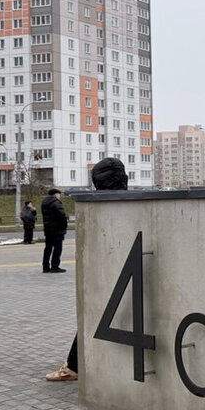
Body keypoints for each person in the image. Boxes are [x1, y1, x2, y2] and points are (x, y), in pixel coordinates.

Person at [45, 157, 128, 383]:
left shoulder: (94, 207)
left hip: (108, 275)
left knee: (93, 317)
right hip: (132, 274)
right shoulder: (135, 205)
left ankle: (74, 366)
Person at [41, 188, 68, 273]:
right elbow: (62, 216)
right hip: (57, 230)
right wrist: (64, 226)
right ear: (56, 194)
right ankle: (55, 266)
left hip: (48, 229)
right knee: (57, 248)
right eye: (59, 194)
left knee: (48, 248)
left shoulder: (44, 202)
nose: (60, 196)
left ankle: (45, 267)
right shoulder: (56, 203)